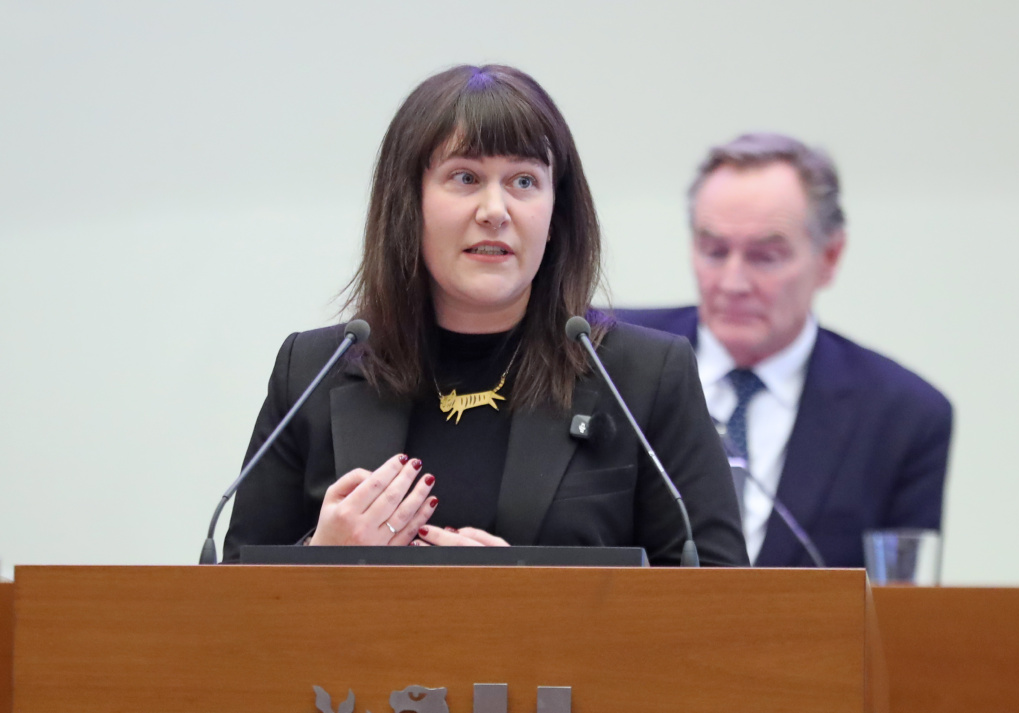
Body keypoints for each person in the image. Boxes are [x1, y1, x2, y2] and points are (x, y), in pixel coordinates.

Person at [222, 65, 747, 567]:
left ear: (556, 214)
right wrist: (320, 559)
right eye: (465, 177)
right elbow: (230, 603)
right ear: (408, 204)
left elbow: (719, 598)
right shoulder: (312, 372)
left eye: (524, 181)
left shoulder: (643, 378)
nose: (495, 211)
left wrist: (525, 597)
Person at [615, 133, 953, 568]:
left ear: (830, 257)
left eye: (765, 257)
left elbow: (900, 597)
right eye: (714, 251)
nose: (733, 283)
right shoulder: (607, 357)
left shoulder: (903, 416)